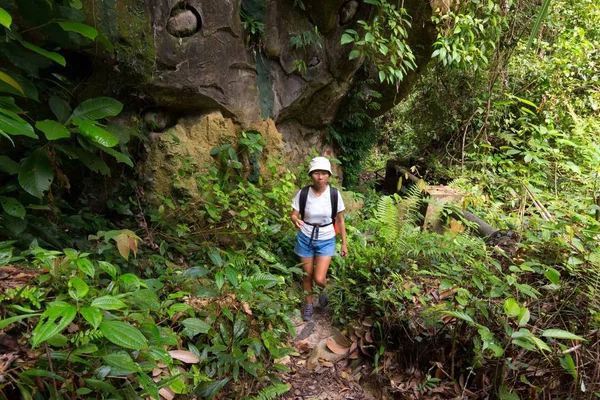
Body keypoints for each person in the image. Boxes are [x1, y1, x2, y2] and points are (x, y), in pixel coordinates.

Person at [290, 157, 348, 321]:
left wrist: (344, 243)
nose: (320, 177)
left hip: (327, 238)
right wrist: (296, 220)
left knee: (319, 278)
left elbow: (341, 220)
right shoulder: (303, 193)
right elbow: (293, 214)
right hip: (305, 238)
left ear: (329, 175)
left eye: (324, 173)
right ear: (311, 175)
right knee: (307, 275)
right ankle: (308, 305)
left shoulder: (334, 195)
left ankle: (326, 288)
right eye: (316, 173)